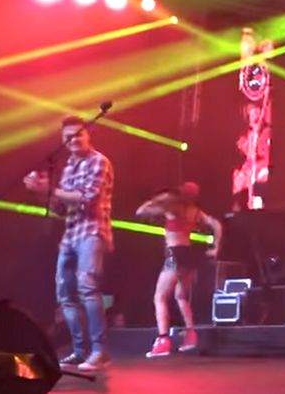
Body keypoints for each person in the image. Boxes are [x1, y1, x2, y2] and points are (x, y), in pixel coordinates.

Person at [24, 116, 114, 372]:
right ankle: (79, 350)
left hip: (92, 231)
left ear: (88, 135)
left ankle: (100, 352)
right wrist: (42, 193)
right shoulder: (68, 168)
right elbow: (62, 209)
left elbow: (87, 198)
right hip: (71, 234)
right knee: (65, 295)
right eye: (68, 137)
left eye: (77, 135)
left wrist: (50, 190)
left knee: (88, 288)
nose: (73, 140)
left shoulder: (99, 161)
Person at [136, 181, 223, 358]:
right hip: (188, 255)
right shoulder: (195, 212)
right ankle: (190, 335)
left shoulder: (172, 206)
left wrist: (157, 200)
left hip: (174, 254)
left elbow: (140, 212)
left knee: (160, 297)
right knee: (181, 296)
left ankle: (163, 340)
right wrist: (216, 247)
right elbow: (216, 225)